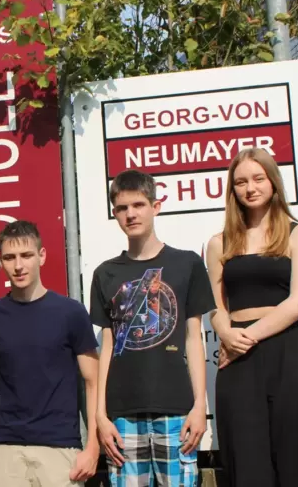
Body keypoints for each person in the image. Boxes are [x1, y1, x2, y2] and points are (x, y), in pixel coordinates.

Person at [205, 148, 298, 487]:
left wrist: (247, 336)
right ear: (232, 189)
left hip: (290, 351)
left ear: (273, 181)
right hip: (237, 358)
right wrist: (227, 334)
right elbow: (215, 306)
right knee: (245, 461)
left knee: (294, 459)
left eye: (258, 178)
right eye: (240, 182)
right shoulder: (219, 243)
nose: (250, 188)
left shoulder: (297, 233)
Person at [90, 169, 215, 487]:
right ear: (114, 213)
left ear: (156, 206)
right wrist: (101, 416)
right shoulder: (105, 274)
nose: (130, 214)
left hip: (176, 411)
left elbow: (194, 339)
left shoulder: (186, 264)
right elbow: (107, 347)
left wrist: (200, 406)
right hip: (121, 415)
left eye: (138, 204)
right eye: (122, 208)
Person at [0, 220, 100, 487]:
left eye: (26, 255)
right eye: (9, 257)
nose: (18, 265)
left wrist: (93, 447)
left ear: (42, 256)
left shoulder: (71, 312)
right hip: (6, 451)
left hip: (61, 450)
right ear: (0, 261)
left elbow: (93, 382)